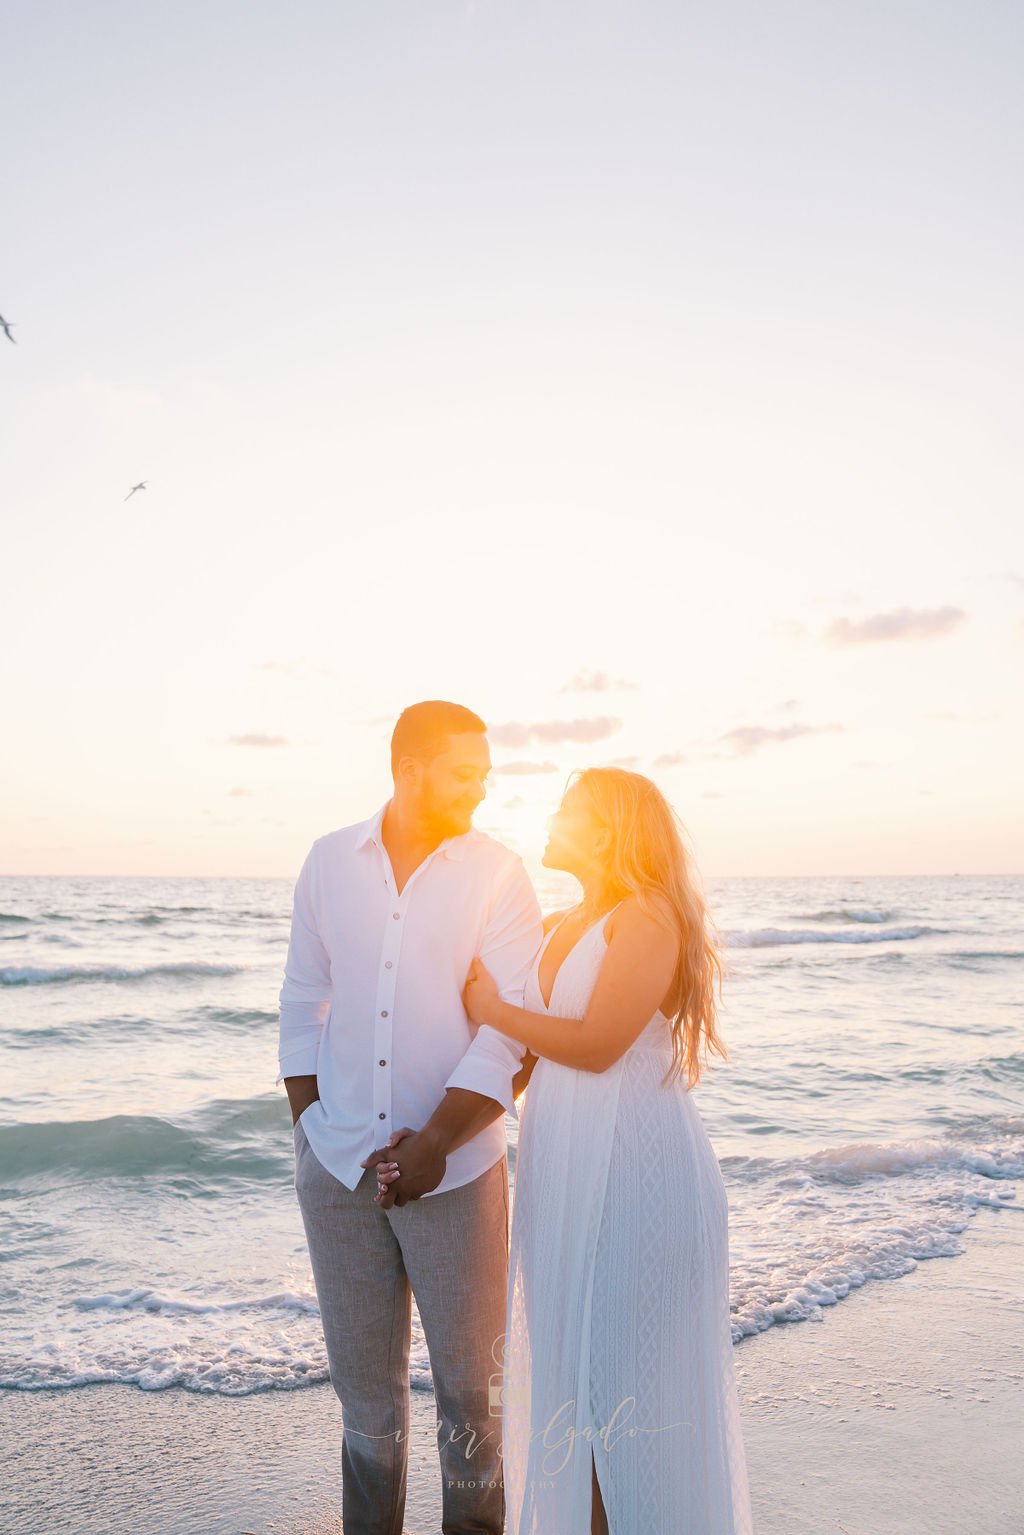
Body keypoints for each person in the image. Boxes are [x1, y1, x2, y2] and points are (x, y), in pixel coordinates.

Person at [377, 766, 755, 1533]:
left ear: (607, 830)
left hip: (640, 1181)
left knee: (627, 1392)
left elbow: (596, 1045)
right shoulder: (558, 924)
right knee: (571, 1396)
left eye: (566, 810)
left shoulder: (647, 918)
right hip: (563, 1179)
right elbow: (521, 1064)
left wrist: (494, 1006)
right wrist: (434, 1134)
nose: (548, 820)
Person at [277, 699, 543, 1535]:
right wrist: (312, 1129)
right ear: (410, 768)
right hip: (338, 1168)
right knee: (366, 1402)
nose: (481, 788)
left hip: (459, 1174)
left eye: (486, 773)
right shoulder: (328, 861)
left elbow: (513, 1029)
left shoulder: (499, 872)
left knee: (472, 1397)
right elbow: (300, 1000)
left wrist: (433, 1144)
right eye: (465, 772)